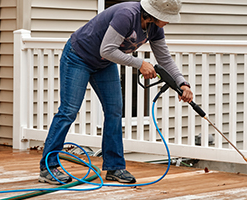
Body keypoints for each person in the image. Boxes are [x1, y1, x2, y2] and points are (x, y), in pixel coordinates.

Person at [38, 0, 193, 185]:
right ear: (155, 13)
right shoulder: (127, 14)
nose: (169, 22)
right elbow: (107, 49)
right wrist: (139, 63)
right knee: (69, 111)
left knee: (114, 111)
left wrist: (182, 83)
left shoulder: (155, 27)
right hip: (78, 57)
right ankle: (49, 167)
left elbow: (165, 59)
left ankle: (114, 167)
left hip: (103, 63)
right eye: (167, 18)